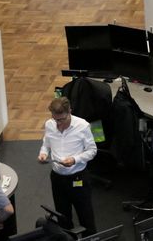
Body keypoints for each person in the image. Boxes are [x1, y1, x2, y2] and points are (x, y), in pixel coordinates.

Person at [37, 97, 97, 234]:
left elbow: (92, 151)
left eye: (62, 119)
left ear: (70, 111)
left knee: (85, 216)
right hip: (57, 178)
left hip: (78, 178)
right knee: (62, 216)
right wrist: (43, 153)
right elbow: (46, 144)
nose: (59, 123)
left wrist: (75, 159)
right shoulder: (49, 124)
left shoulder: (83, 126)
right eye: (55, 119)